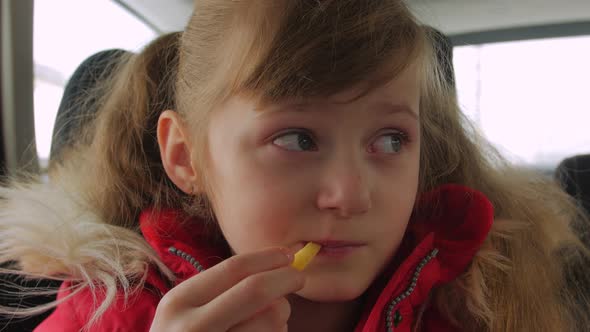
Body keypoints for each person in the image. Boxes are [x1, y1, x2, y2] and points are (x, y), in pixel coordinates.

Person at [1, 1, 588, 331]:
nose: (350, 196)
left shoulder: (486, 306)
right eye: (298, 138)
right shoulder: (110, 313)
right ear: (186, 157)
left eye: (389, 141)